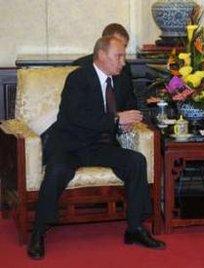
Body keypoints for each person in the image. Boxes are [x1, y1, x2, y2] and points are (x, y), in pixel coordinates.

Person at [27, 36, 166, 260]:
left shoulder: (119, 81)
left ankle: (135, 228)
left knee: (135, 161)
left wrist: (128, 123)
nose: (123, 62)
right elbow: (76, 116)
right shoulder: (78, 78)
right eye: (118, 56)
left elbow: (126, 111)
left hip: (101, 145)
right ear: (101, 55)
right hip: (70, 144)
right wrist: (115, 120)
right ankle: (38, 231)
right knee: (56, 171)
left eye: (123, 56)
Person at [74, 23, 138, 109]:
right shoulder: (80, 69)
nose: (121, 49)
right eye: (117, 44)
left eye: (124, 46)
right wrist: (116, 118)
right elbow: (80, 113)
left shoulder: (124, 68)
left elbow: (131, 104)